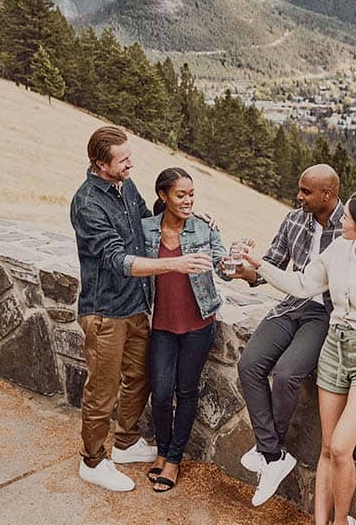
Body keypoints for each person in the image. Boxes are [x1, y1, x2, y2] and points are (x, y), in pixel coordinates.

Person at [241, 190, 356, 525]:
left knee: (341, 447)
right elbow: (301, 284)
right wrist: (260, 265)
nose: (341, 219)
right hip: (334, 353)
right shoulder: (339, 248)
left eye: (347, 217)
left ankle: (341, 521)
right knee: (327, 448)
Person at [70, 126, 213, 493]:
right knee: (102, 391)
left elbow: (148, 220)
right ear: (101, 164)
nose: (131, 163)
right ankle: (93, 461)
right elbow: (117, 260)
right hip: (104, 311)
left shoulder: (125, 185)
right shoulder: (88, 204)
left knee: (141, 378)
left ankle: (126, 442)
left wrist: (193, 218)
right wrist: (175, 264)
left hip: (135, 306)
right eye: (124, 159)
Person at [141, 168, 230, 493]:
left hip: (199, 323)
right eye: (181, 195)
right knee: (161, 394)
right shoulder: (146, 229)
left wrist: (234, 263)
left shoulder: (204, 228)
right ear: (163, 196)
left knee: (186, 391)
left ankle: (173, 460)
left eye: (192, 194)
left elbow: (223, 266)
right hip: (162, 326)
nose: (188, 200)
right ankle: (162, 450)